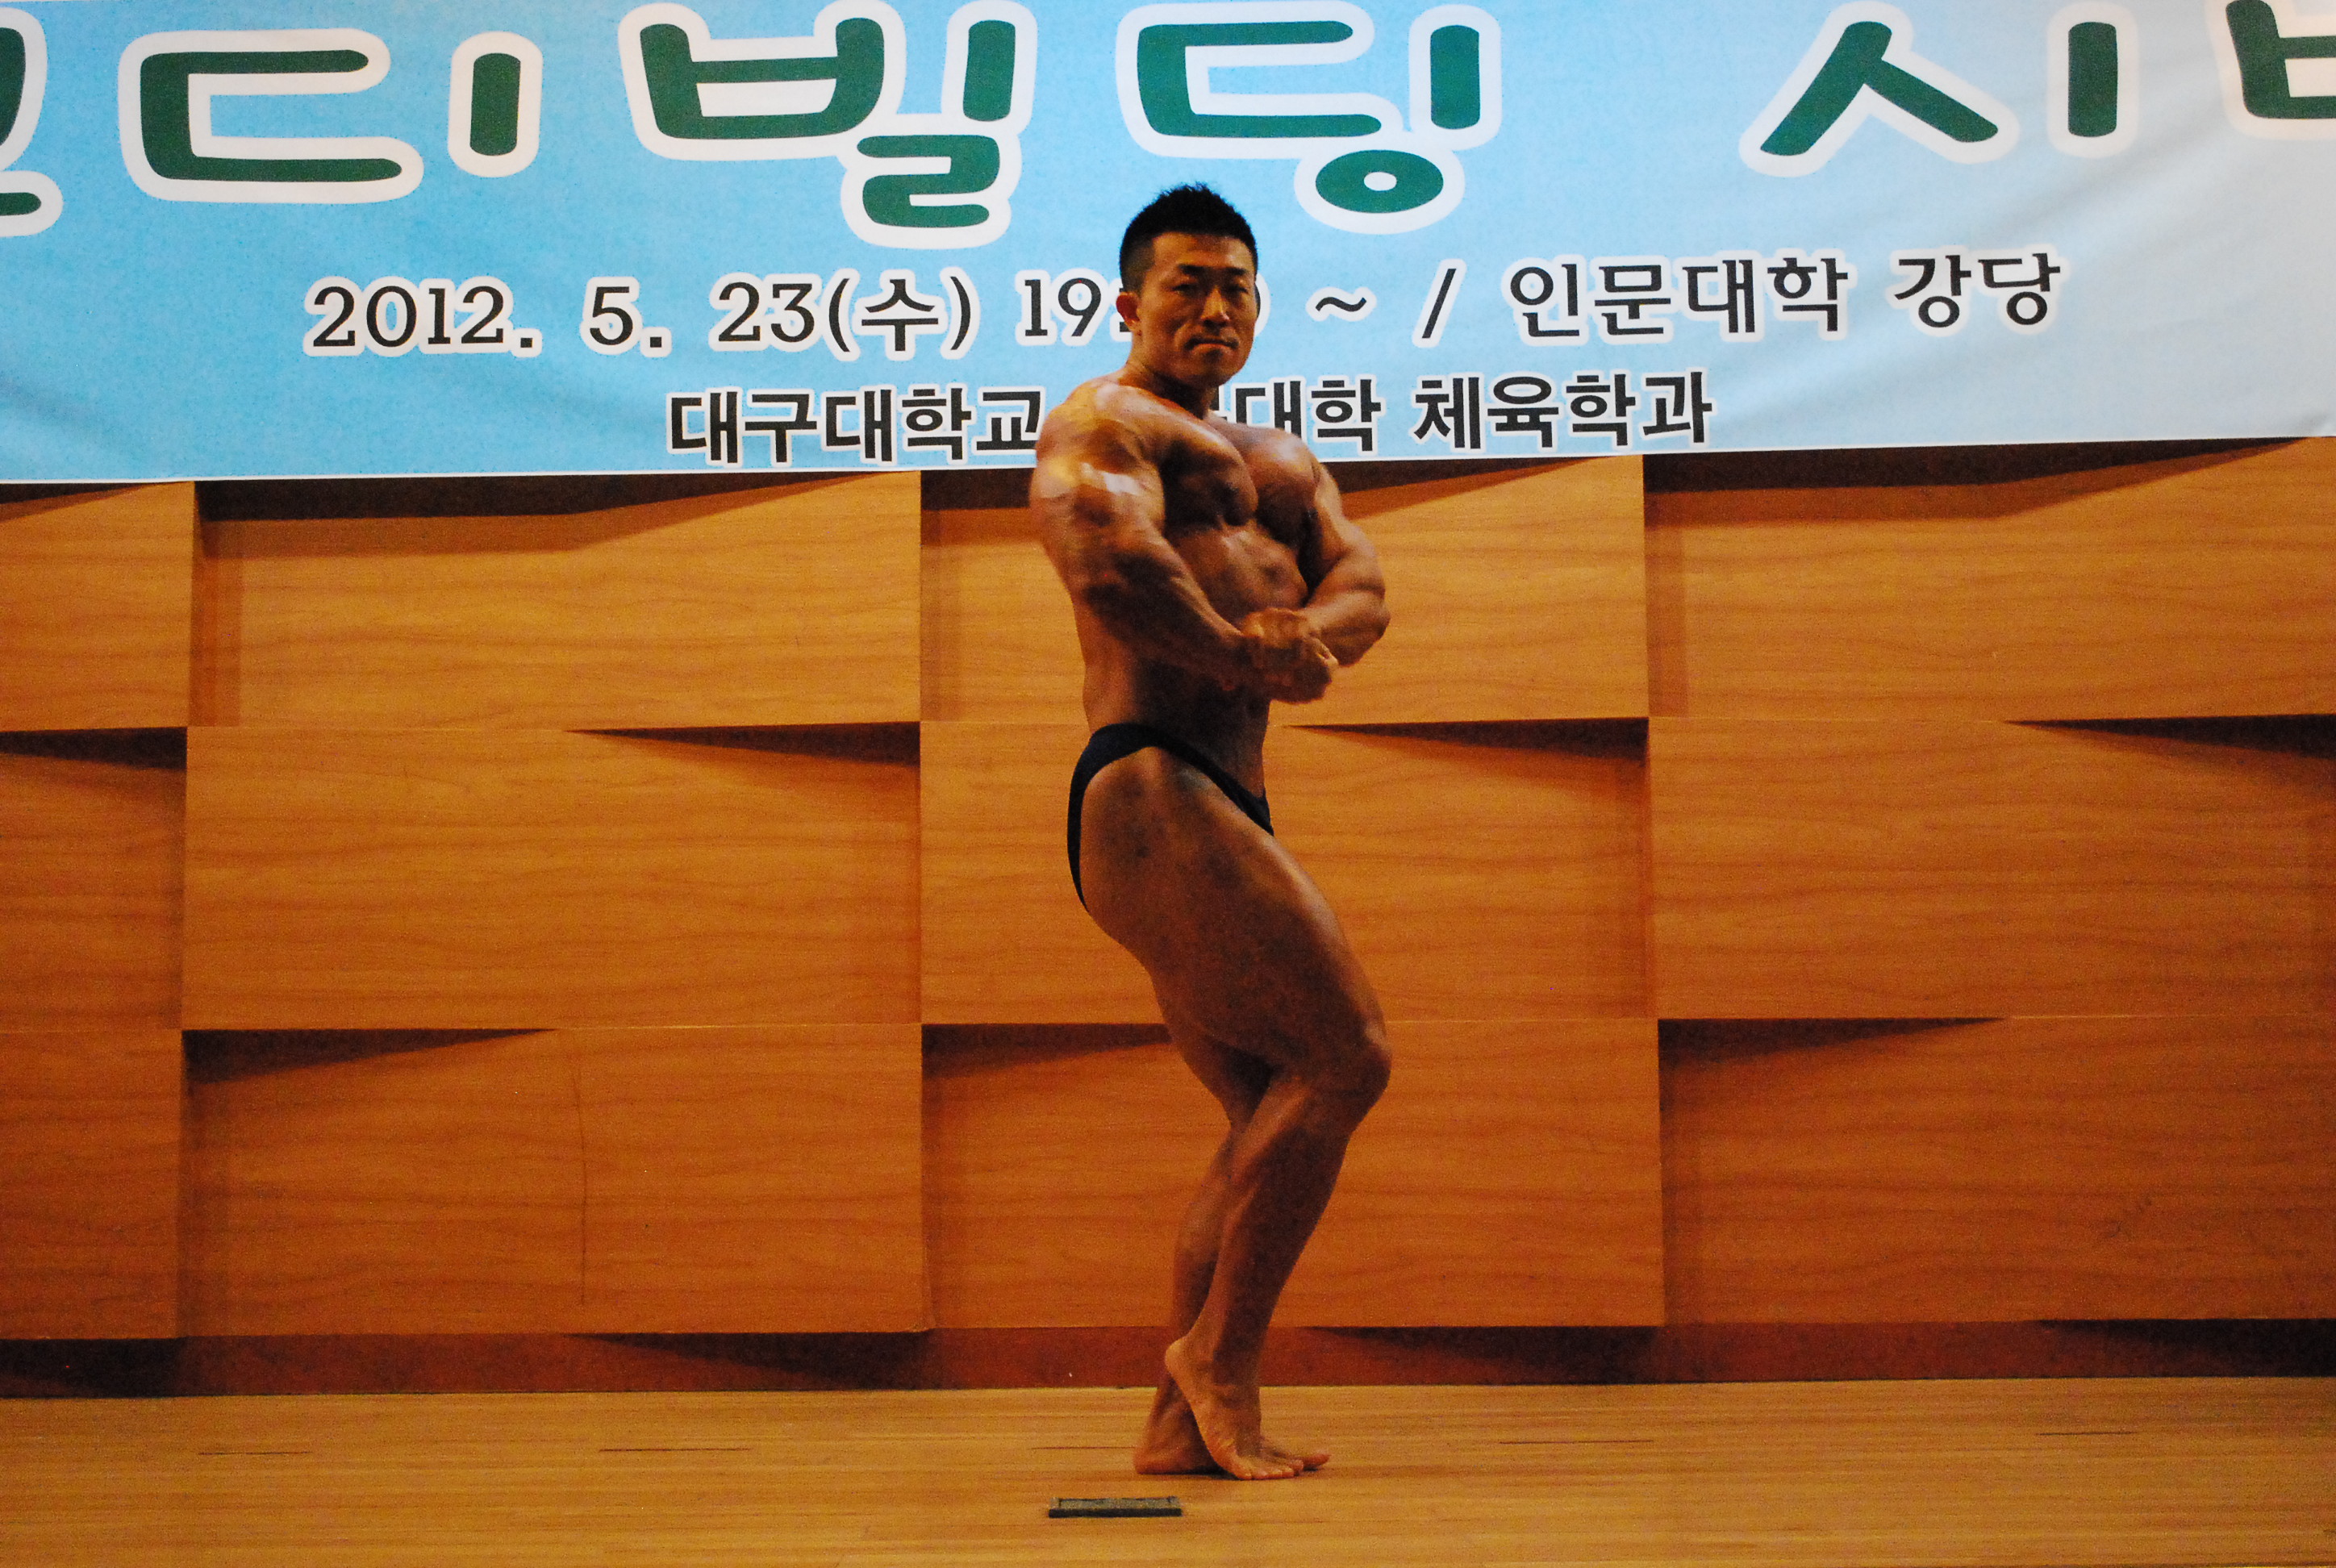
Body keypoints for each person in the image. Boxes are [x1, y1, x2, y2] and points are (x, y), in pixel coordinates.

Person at [1032, 184, 1392, 1482]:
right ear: (1128, 301)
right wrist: (1246, 656)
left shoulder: (1281, 462)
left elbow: (1363, 586)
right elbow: (1111, 567)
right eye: (1186, 284)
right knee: (1348, 1058)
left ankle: (1176, 1425)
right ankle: (1220, 1359)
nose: (1215, 308)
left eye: (1236, 286)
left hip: (1224, 791)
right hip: (1149, 780)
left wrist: (1305, 644)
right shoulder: (1104, 423)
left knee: (1263, 1109)